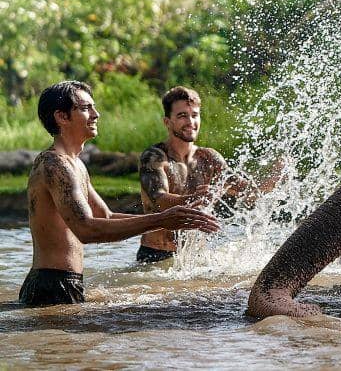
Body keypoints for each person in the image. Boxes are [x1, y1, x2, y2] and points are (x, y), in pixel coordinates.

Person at [20, 81, 220, 306]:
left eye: (93, 107)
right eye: (86, 108)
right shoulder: (54, 164)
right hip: (52, 284)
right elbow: (86, 229)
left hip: (64, 282)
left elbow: (105, 217)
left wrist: (169, 221)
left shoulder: (74, 164)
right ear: (62, 117)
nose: (96, 114)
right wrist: (163, 218)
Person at [137, 86, 279, 263]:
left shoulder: (209, 158)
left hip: (195, 258)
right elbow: (159, 200)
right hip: (157, 255)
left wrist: (276, 176)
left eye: (195, 115)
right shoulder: (154, 157)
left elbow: (248, 192)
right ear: (167, 122)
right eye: (182, 116)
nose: (190, 121)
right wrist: (193, 199)